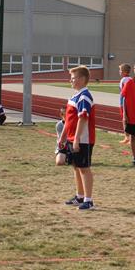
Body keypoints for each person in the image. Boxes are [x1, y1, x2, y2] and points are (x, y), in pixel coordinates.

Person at [57, 66, 96, 210]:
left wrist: (77, 139)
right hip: (72, 138)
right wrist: (63, 137)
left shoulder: (84, 96)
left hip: (83, 139)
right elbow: (68, 120)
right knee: (76, 167)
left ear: (82, 79)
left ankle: (88, 200)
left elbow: (83, 118)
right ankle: (80, 196)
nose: (71, 81)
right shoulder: (75, 96)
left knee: (84, 168)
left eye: (73, 78)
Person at [116, 63, 133, 145]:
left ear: (125, 72)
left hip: (124, 103)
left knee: (125, 120)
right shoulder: (131, 79)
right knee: (129, 120)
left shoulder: (124, 80)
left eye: (120, 70)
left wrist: (123, 103)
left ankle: (127, 138)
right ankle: (129, 138)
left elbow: (124, 93)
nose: (119, 72)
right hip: (130, 102)